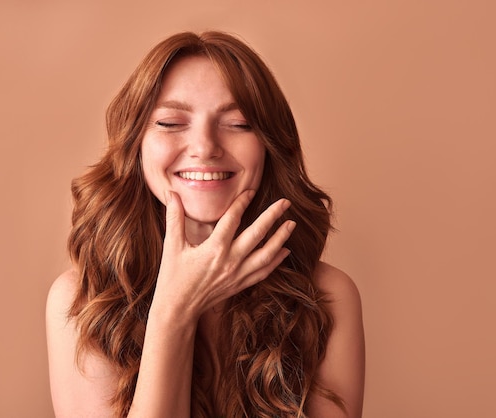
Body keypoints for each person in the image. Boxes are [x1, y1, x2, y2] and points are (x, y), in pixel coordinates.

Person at [46, 31, 365, 418]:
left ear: (269, 145)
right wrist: (175, 310)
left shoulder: (327, 295)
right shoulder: (81, 301)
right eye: (169, 122)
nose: (205, 146)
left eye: (238, 123)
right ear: (136, 145)